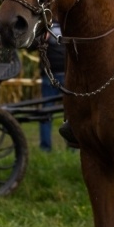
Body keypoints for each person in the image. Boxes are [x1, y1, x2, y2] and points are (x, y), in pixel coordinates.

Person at [39, 23, 66, 152]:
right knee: (46, 112)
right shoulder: (45, 24)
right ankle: (45, 147)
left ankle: (73, 147)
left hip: (68, 75)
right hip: (49, 76)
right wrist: (42, 39)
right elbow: (30, 45)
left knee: (72, 113)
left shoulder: (67, 22)